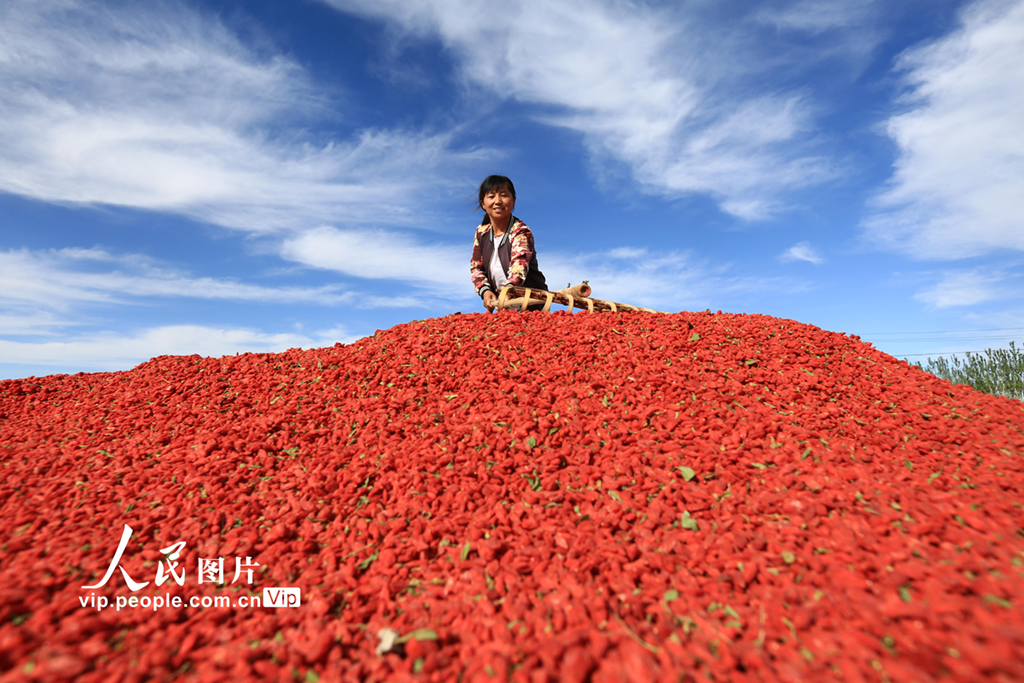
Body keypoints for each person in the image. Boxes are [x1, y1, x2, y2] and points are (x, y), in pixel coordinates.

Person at [469, 175, 547, 311]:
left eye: (504, 196)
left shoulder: (521, 231)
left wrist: (509, 289)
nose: (498, 201)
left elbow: (519, 264)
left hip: (530, 305)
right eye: (491, 196)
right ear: (483, 203)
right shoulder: (482, 232)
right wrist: (485, 291)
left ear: (513, 201)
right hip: (503, 305)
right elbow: (476, 267)